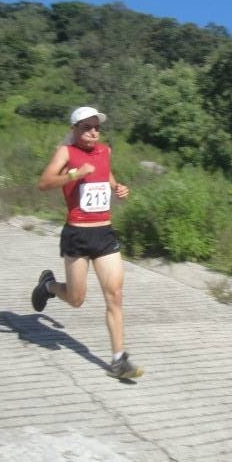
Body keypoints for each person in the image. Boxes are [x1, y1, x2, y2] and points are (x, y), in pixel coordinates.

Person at [30, 105, 142, 380]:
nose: (93, 132)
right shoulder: (66, 152)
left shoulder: (105, 151)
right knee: (76, 299)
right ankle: (48, 285)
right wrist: (73, 175)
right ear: (75, 129)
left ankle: (119, 360)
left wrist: (118, 188)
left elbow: (105, 175)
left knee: (115, 294)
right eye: (87, 127)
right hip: (77, 234)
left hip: (104, 233)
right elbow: (44, 183)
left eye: (97, 127)